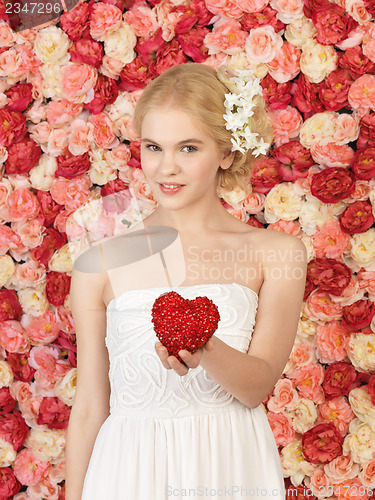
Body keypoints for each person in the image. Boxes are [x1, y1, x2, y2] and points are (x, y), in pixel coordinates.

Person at [65, 62, 308, 500]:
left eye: (189, 148)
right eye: (154, 147)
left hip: (229, 466)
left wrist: (202, 346)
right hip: (128, 473)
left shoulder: (277, 254)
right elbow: (88, 408)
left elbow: (256, 388)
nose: (166, 168)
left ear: (228, 153)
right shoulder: (97, 265)